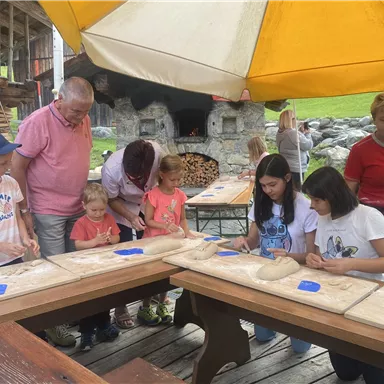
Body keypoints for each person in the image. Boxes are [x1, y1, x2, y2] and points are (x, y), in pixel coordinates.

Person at [10, 77, 94, 347]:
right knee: (52, 268)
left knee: (73, 266)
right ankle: (52, 326)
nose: (82, 117)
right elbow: (17, 167)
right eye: (76, 111)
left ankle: (66, 314)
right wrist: (24, 210)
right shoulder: (37, 122)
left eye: (86, 111)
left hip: (77, 207)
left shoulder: (84, 120)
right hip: (48, 209)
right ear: (59, 102)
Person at [302, 166, 384, 383]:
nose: (312, 205)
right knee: (345, 374)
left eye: (317, 200)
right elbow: (321, 256)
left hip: (369, 299)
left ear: (333, 196)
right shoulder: (324, 218)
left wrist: (352, 264)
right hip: (335, 299)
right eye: (311, 199)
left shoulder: (367, 217)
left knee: (375, 376)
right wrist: (314, 260)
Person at [233, 154, 317, 353]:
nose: (268, 190)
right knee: (262, 336)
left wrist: (288, 257)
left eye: (272, 184)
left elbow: (311, 255)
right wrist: (244, 241)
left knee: (300, 348)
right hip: (266, 274)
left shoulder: (306, 207)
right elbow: (253, 240)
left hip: (295, 277)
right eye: (263, 185)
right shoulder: (262, 202)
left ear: (287, 178)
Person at [102, 139, 163, 328]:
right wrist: (130, 217)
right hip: (121, 207)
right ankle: (121, 308)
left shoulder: (158, 154)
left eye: (142, 176)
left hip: (148, 203)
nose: (138, 181)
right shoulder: (111, 169)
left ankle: (148, 298)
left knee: (153, 252)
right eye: (133, 177)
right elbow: (111, 200)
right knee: (124, 259)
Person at [138, 154, 194, 325]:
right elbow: (148, 220)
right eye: (172, 179)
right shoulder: (153, 195)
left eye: (179, 179)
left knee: (167, 277)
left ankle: (162, 303)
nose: (176, 183)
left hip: (172, 241)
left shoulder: (180, 195)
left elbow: (183, 218)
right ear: (162, 174)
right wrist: (164, 226)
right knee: (151, 278)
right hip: (153, 241)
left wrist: (187, 232)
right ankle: (145, 307)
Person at [70, 183, 121, 351]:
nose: (99, 214)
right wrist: (95, 242)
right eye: (94, 210)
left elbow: (117, 238)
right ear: (84, 206)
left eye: (102, 209)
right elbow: (78, 245)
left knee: (106, 296)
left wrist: (109, 239)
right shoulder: (81, 223)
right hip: (88, 267)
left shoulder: (109, 219)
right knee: (89, 300)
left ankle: (104, 325)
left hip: (106, 264)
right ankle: (86, 332)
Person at [344, 93, 384, 214]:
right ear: (374, 120)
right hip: (371, 213)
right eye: (383, 119)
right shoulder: (360, 150)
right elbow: (349, 190)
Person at [276, 110, 313, 191]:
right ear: (291, 120)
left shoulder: (280, 133)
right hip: (296, 167)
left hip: (286, 166)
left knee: (289, 191)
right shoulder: (293, 133)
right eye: (294, 118)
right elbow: (308, 145)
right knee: (297, 193)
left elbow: (294, 143)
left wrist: (300, 133)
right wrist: (307, 134)